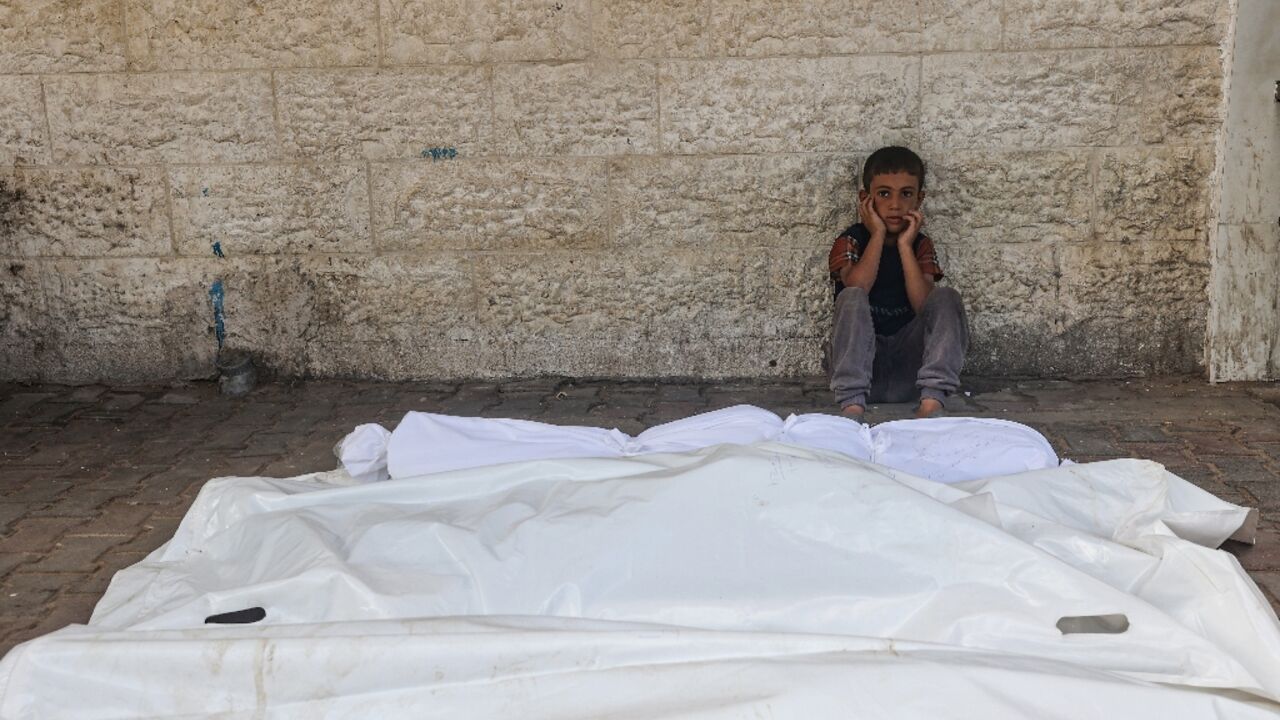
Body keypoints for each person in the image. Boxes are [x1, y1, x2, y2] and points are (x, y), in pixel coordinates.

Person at [827, 146, 968, 419]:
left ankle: (931, 404)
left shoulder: (920, 244)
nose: (895, 204)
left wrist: (905, 245)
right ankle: (852, 407)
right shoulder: (851, 240)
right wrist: (877, 234)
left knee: (947, 297)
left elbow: (923, 306)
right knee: (851, 296)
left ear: (919, 200)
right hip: (864, 369)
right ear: (865, 199)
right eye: (883, 194)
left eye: (906, 194)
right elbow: (857, 286)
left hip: (912, 373)